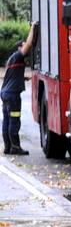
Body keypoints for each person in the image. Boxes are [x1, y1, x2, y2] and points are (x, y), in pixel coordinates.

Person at [2, 22, 38, 156]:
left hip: (5, 93)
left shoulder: (12, 59)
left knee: (7, 119)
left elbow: (11, 76)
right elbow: (28, 45)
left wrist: (23, 79)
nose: (27, 48)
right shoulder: (18, 55)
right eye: (23, 45)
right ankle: (15, 147)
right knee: (14, 119)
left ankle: (7, 147)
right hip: (12, 95)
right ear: (19, 47)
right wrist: (33, 27)